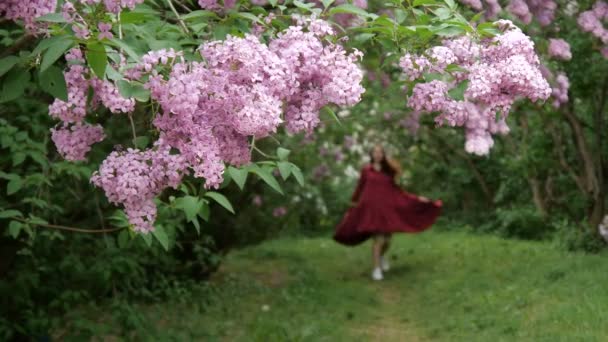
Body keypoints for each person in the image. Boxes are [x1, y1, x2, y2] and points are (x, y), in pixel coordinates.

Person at [333, 145, 442, 280]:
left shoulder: (388, 172)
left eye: (380, 152)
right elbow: (359, 189)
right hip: (372, 210)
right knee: (379, 239)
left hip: (386, 210)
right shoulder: (366, 170)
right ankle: (376, 269)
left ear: (383, 155)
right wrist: (351, 208)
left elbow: (398, 192)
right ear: (371, 154)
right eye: (375, 152)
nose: (377, 154)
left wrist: (417, 198)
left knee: (387, 240)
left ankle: (381, 257)